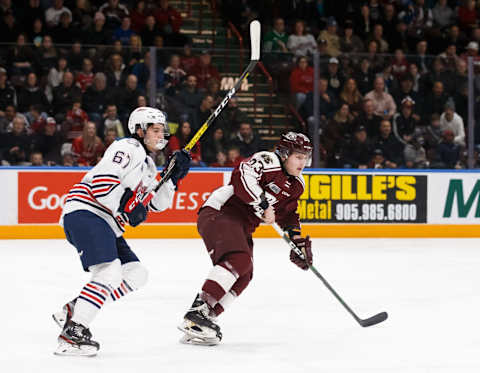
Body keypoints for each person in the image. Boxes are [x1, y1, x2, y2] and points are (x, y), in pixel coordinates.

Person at [52, 107, 191, 356]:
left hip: (105, 222)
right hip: (86, 212)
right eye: (155, 130)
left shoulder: (148, 165)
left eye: (163, 131)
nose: (161, 136)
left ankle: (76, 308)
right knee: (109, 271)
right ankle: (73, 332)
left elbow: (157, 204)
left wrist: (173, 178)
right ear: (139, 130)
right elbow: (103, 181)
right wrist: (126, 204)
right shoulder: (127, 147)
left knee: (136, 274)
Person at [178, 132, 313, 345]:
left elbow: (288, 214)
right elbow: (241, 177)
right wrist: (263, 203)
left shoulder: (297, 184)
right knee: (238, 259)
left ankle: (203, 321)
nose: (302, 162)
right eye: (298, 156)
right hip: (221, 211)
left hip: (242, 225)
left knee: (245, 274)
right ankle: (198, 311)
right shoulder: (268, 161)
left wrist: (297, 240)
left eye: (306, 157)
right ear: (285, 154)